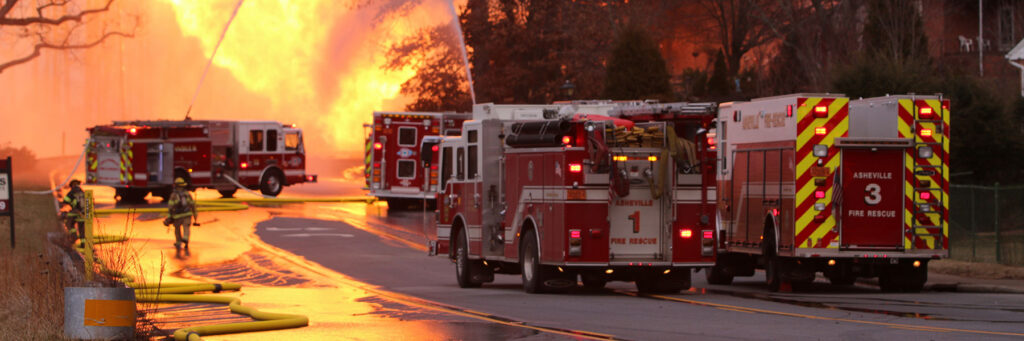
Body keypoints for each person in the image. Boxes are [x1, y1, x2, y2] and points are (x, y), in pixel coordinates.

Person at [167, 177, 197, 251]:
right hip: (187, 214)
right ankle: (185, 239)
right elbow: (192, 204)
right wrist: (195, 216)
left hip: (177, 216)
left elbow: (170, 207)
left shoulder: (173, 195)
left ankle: (178, 242)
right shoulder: (187, 194)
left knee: (177, 230)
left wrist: (169, 217)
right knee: (186, 227)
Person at [61, 179, 86, 244]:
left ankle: (74, 236)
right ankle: (83, 243)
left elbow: (66, 201)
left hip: (77, 212)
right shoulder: (82, 192)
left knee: (68, 222)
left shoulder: (72, 191)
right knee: (82, 228)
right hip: (84, 213)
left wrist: (63, 211)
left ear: (72, 185)